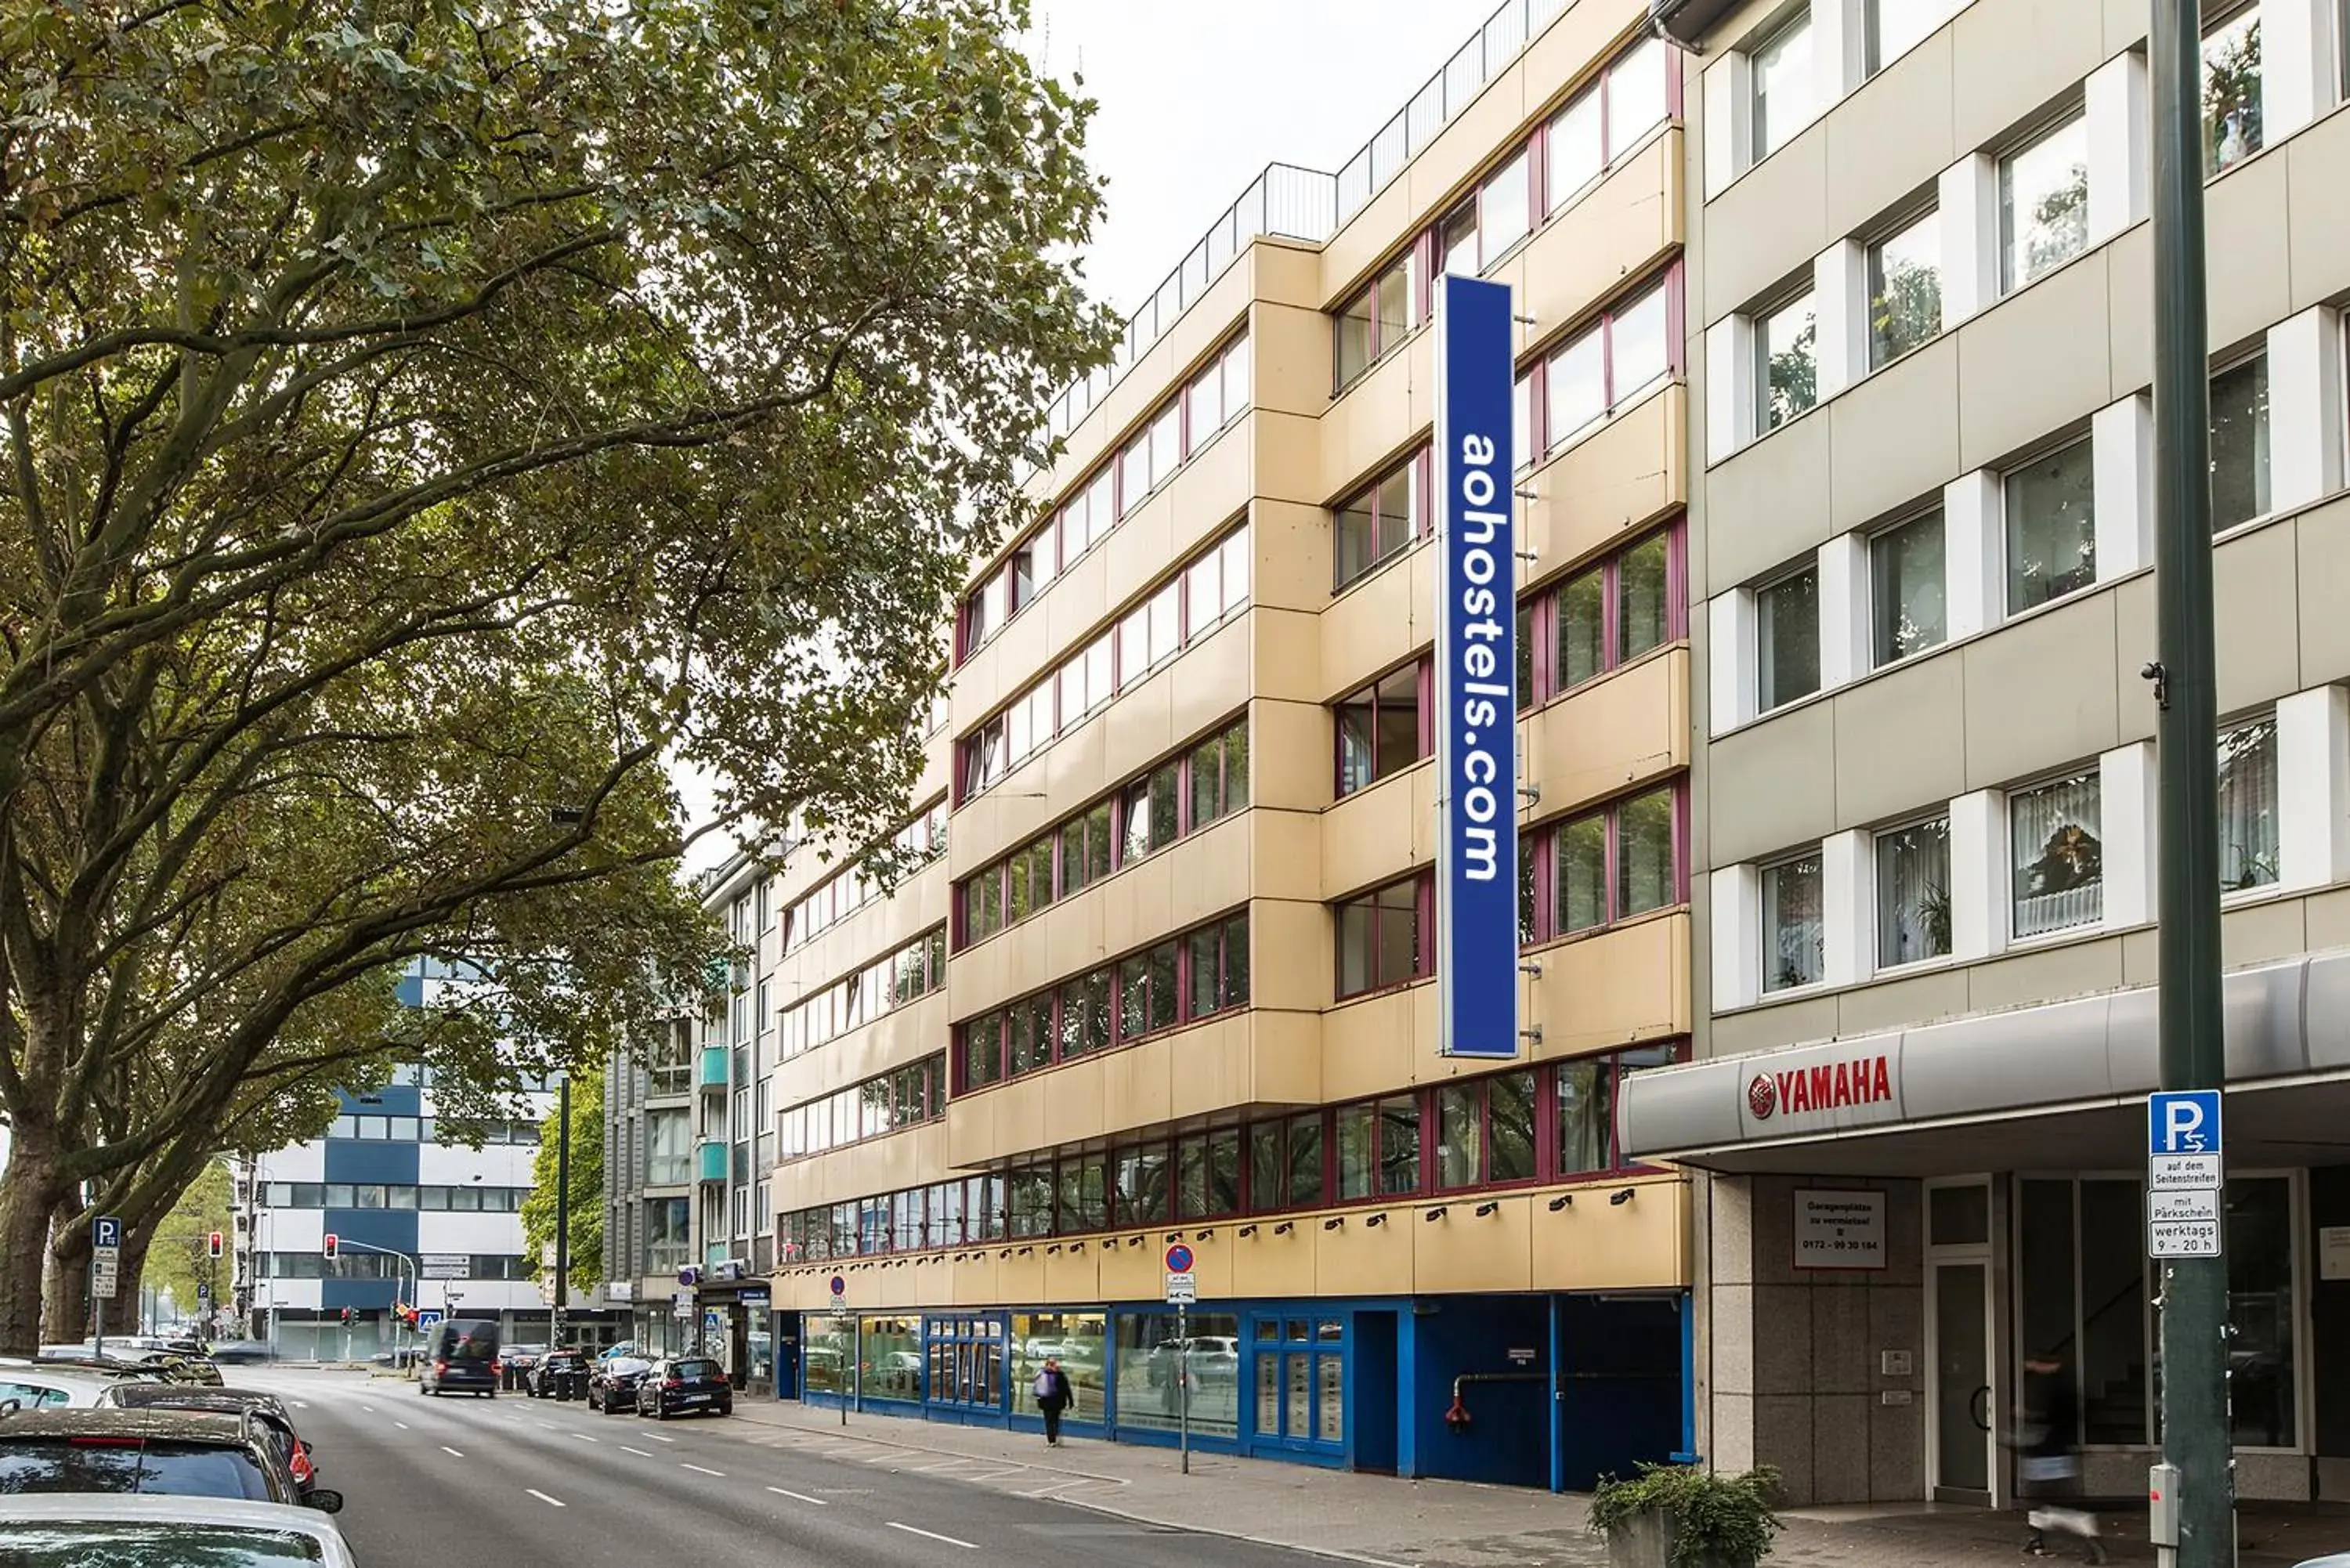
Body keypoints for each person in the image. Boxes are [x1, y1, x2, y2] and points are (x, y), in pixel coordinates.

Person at [2016, 1350, 2106, 1564]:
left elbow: (2051, 1419)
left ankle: (2090, 1536)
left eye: (2039, 1364)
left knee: (2049, 1504)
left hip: (2049, 1454)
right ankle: (2036, 1539)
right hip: (2057, 1453)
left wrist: (2027, 1416)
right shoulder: (2064, 1387)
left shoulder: (2056, 1388)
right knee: (2038, 1501)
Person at [1032, 1356, 1074, 1447]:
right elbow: (1067, 1389)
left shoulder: (1042, 1373)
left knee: (1049, 1421)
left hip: (1047, 1402)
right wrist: (1071, 1401)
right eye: (1053, 1364)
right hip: (1056, 1402)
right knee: (1054, 1420)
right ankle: (1053, 1439)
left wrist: (1038, 1397)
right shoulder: (1060, 1375)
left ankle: (1051, 1440)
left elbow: (1036, 1388)